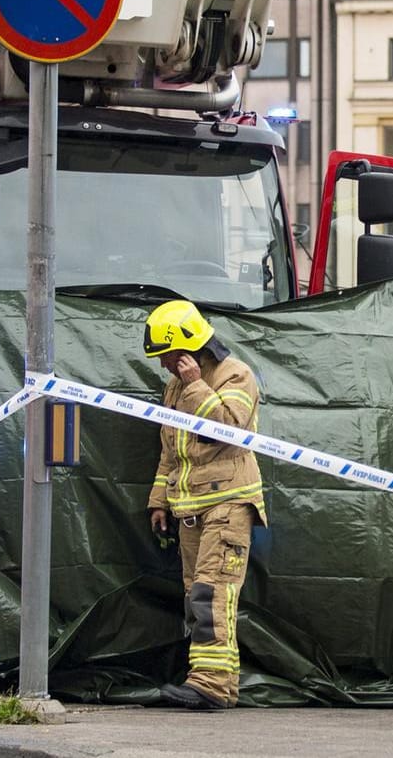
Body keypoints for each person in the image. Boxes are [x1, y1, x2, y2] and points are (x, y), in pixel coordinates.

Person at [143, 300, 265, 712]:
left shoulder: (236, 375)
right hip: (190, 508)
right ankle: (218, 683)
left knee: (212, 594)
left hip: (228, 505)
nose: (163, 365)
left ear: (187, 350)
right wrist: (159, 499)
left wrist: (197, 386)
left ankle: (210, 684)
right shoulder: (175, 386)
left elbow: (228, 431)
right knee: (197, 596)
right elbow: (171, 449)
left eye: (166, 356)